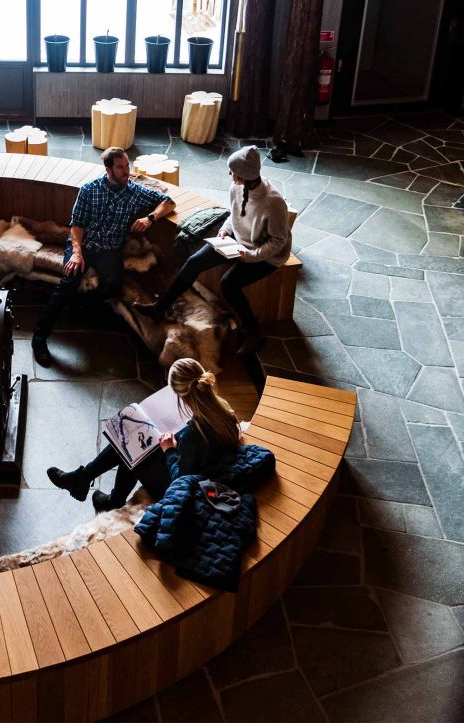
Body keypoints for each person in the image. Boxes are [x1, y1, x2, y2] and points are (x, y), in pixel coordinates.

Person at [134, 145, 291, 355]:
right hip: (238, 241)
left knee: (229, 284)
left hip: (266, 255)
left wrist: (252, 256)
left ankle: (253, 332)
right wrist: (225, 231)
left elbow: (278, 241)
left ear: (245, 175)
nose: (229, 174)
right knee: (194, 262)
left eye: (233, 171)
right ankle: (159, 308)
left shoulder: (273, 202)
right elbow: (232, 216)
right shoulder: (235, 188)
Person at [31, 146, 175, 366]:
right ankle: (39, 338)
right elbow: (76, 225)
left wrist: (150, 219)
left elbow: (168, 202)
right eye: (121, 167)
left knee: (114, 284)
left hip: (109, 249)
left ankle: (82, 307)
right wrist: (76, 254)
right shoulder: (89, 190)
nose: (126, 171)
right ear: (108, 169)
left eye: (127, 166)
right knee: (68, 282)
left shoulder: (134, 191)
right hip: (84, 245)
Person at [46, 357, 242, 512]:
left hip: (181, 485)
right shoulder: (222, 409)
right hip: (203, 466)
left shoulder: (194, 434)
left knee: (133, 444)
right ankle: (88, 483)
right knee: (137, 437)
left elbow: (180, 480)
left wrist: (170, 450)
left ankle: (102, 494)